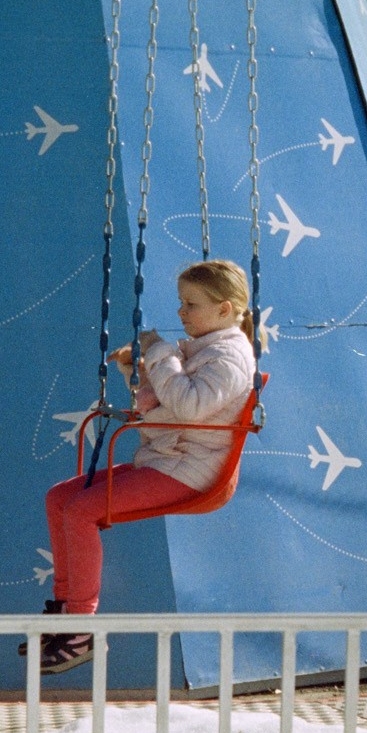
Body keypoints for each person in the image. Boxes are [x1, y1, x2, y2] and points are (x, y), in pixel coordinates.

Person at [36, 259, 259, 673]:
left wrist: (159, 353)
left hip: (189, 469)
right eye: (181, 302)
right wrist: (138, 368)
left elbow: (190, 405)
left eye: (191, 304)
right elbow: (159, 403)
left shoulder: (230, 358)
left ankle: (80, 629)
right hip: (168, 458)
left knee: (82, 511)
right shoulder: (207, 349)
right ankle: (65, 609)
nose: (181, 312)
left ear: (225, 310)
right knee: (60, 498)